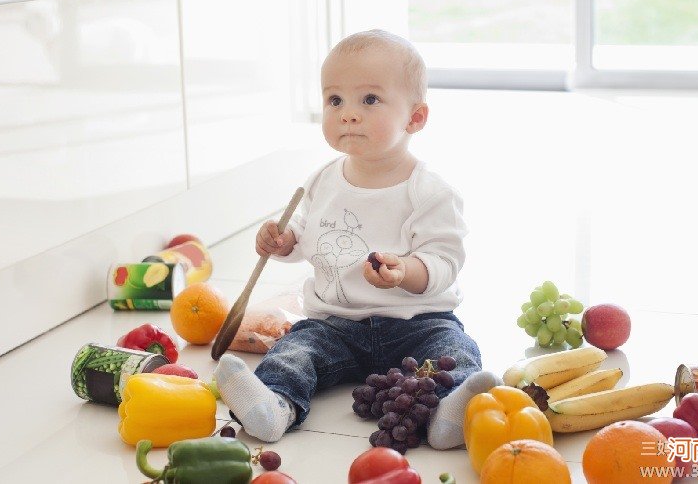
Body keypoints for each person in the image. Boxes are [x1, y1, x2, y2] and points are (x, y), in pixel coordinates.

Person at [213, 29, 500, 449]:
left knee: (453, 350)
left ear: (415, 118)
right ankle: (274, 405)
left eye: (369, 100)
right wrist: (283, 240)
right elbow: (306, 236)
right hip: (334, 323)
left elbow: (443, 261)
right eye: (335, 100)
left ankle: (446, 413)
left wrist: (405, 271)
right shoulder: (323, 180)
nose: (348, 114)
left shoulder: (430, 192)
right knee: (295, 352)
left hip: (416, 322)